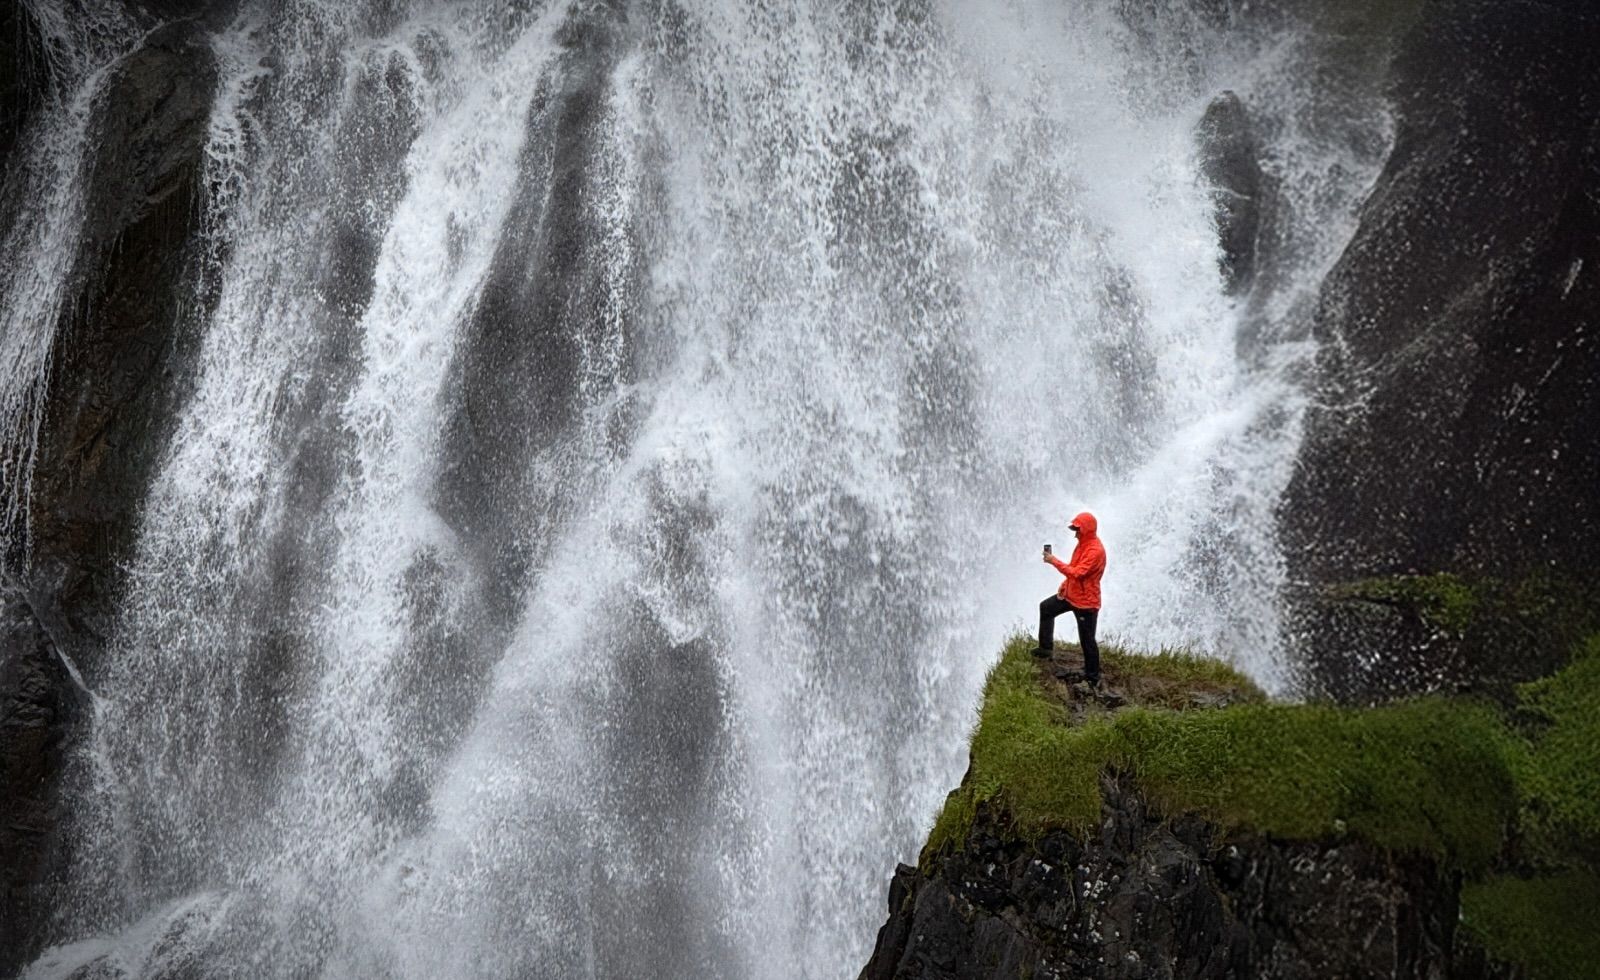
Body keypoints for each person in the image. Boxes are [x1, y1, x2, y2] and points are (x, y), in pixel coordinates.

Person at [1034, 511, 1107, 686]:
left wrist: (1053, 561)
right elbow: (1074, 570)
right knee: (1046, 608)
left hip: (1086, 603)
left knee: (1087, 640)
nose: (1075, 533)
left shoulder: (1095, 551)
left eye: (1077, 529)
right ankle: (1045, 649)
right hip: (1072, 594)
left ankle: (1092, 677)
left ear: (1086, 530)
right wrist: (1064, 586)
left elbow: (1078, 573)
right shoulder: (1082, 544)